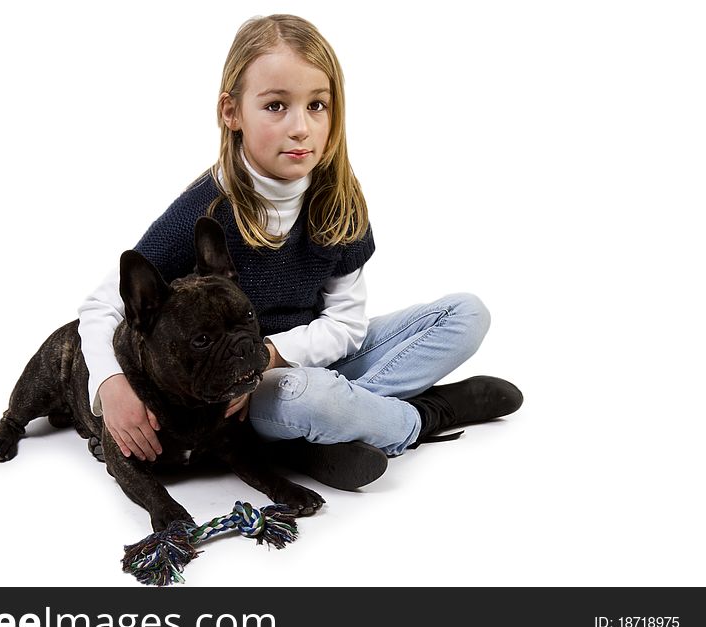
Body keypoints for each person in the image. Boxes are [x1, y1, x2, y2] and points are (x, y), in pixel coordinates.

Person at [77, 14, 523, 491]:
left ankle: (327, 433)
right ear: (232, 113)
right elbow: (101, 306)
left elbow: (348, 328)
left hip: (297, 362)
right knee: (309, 399)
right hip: (245, 393)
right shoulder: (205, 208)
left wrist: (272, 353)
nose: (301, 128)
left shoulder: (338, 201)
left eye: (317, 106)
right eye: (275, 106)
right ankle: (424, 416)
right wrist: (109, 384)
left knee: (465, 314)